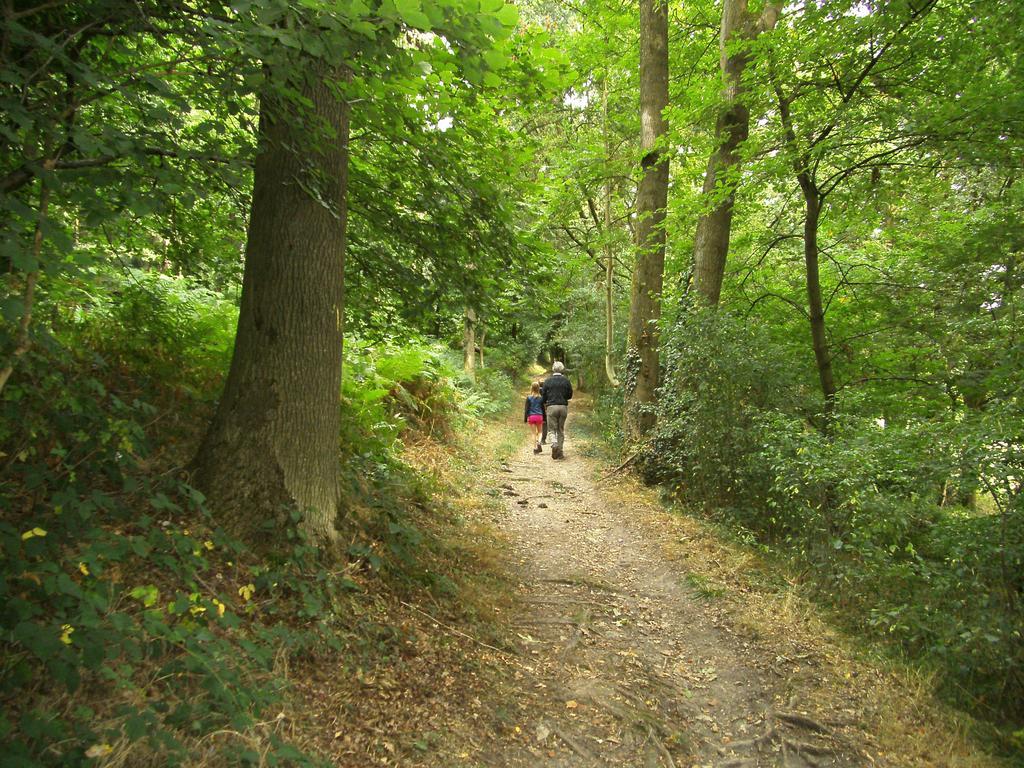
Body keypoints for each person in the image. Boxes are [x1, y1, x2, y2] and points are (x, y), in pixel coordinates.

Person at [541, 361, 573, 460]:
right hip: (563, 407)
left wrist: (545, 402)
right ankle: (560, 452)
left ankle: (554, 443)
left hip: (551, 407)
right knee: (560, 430)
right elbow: (570, 395)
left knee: (551, 430)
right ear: (562, 369)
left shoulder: (548, 381)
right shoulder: (566, 381)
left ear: (553, 369)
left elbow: (543, 395)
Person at [523, 382, 545, 453]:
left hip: (531, 417)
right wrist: (544, 418)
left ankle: (535, 448)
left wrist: (525, 418)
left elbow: (526, 409)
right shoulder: (541, 398)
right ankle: (539, 442)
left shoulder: (529, 398)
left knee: (533, 433)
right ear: (538, 388)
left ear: (531, 388)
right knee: (540, 432)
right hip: (539, 416)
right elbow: (543, 408)